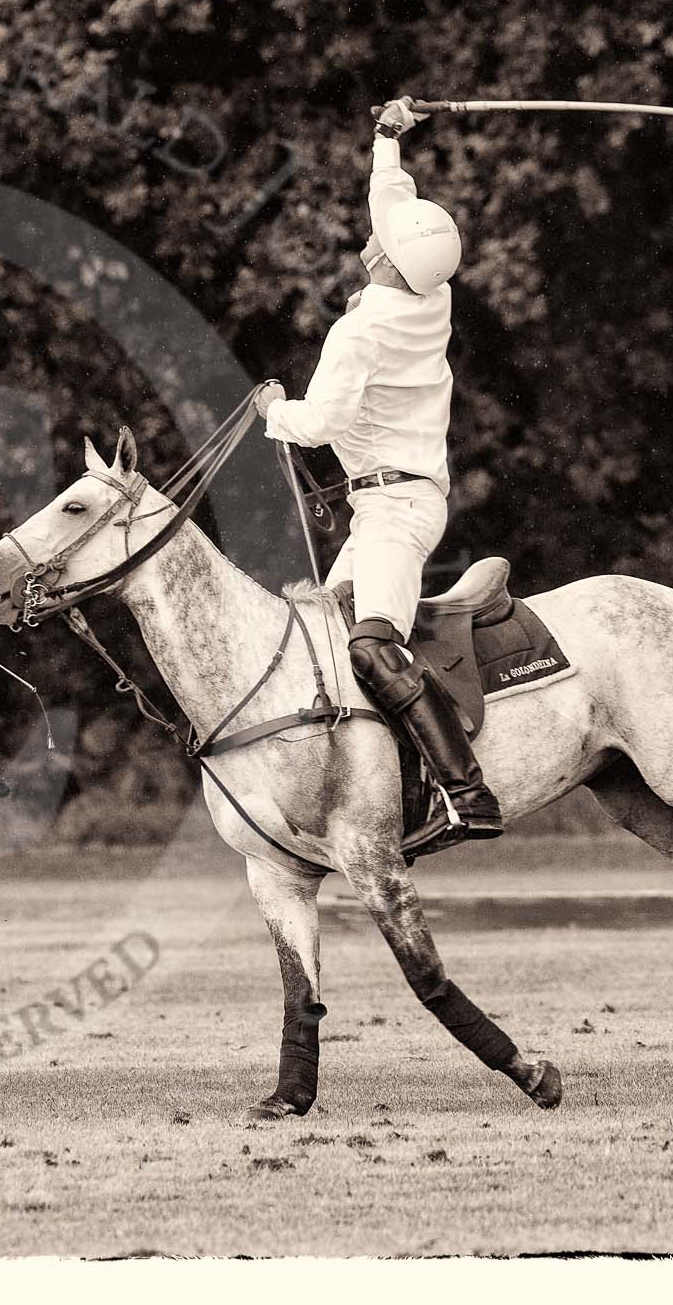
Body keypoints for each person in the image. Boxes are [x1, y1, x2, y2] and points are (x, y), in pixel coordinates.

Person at [255, 95, 503, 849]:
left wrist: (274, 408)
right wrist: (387, 141)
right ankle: (370, 788)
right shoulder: (436, 293)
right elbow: (393, 206)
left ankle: (468, 793)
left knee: (368, 644)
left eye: (380, 241)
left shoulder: (360, 330)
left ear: (387, 260)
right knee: (324, 640)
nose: (371, 238)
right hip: (388, 503)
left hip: (396, 510)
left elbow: (321, 423)